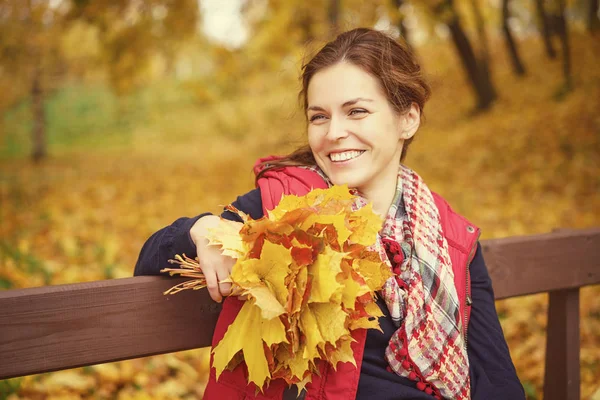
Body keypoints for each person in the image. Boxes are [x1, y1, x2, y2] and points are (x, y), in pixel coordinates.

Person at [134, 28, 525, 400]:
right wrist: (202, 230)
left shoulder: (451, 237)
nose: (334, 132)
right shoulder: (283, 208)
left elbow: (496, 379)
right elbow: (150, 259)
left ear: (408, 118)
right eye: (319, 116)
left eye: (356, 112)